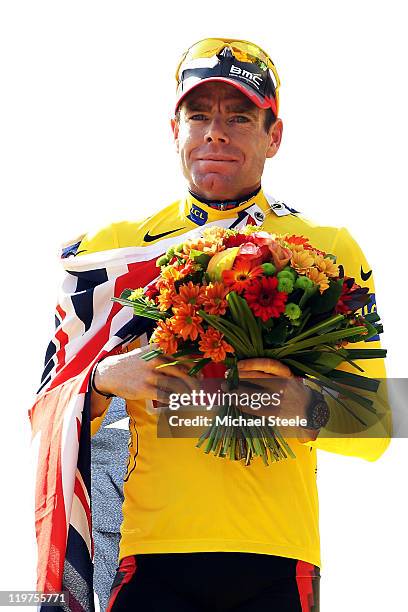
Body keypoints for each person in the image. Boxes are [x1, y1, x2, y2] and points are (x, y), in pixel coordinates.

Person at [30, 38, 391, 612]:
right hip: (147, 552)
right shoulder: (109, 253)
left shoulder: (328, 249)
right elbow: (45, 407)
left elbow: (375, 420)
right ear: (174, 129)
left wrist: (296, 401)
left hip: (277, 551)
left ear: (274, 135)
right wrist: (103, 380)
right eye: (199, 114)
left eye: (240, 115)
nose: (216, 132)